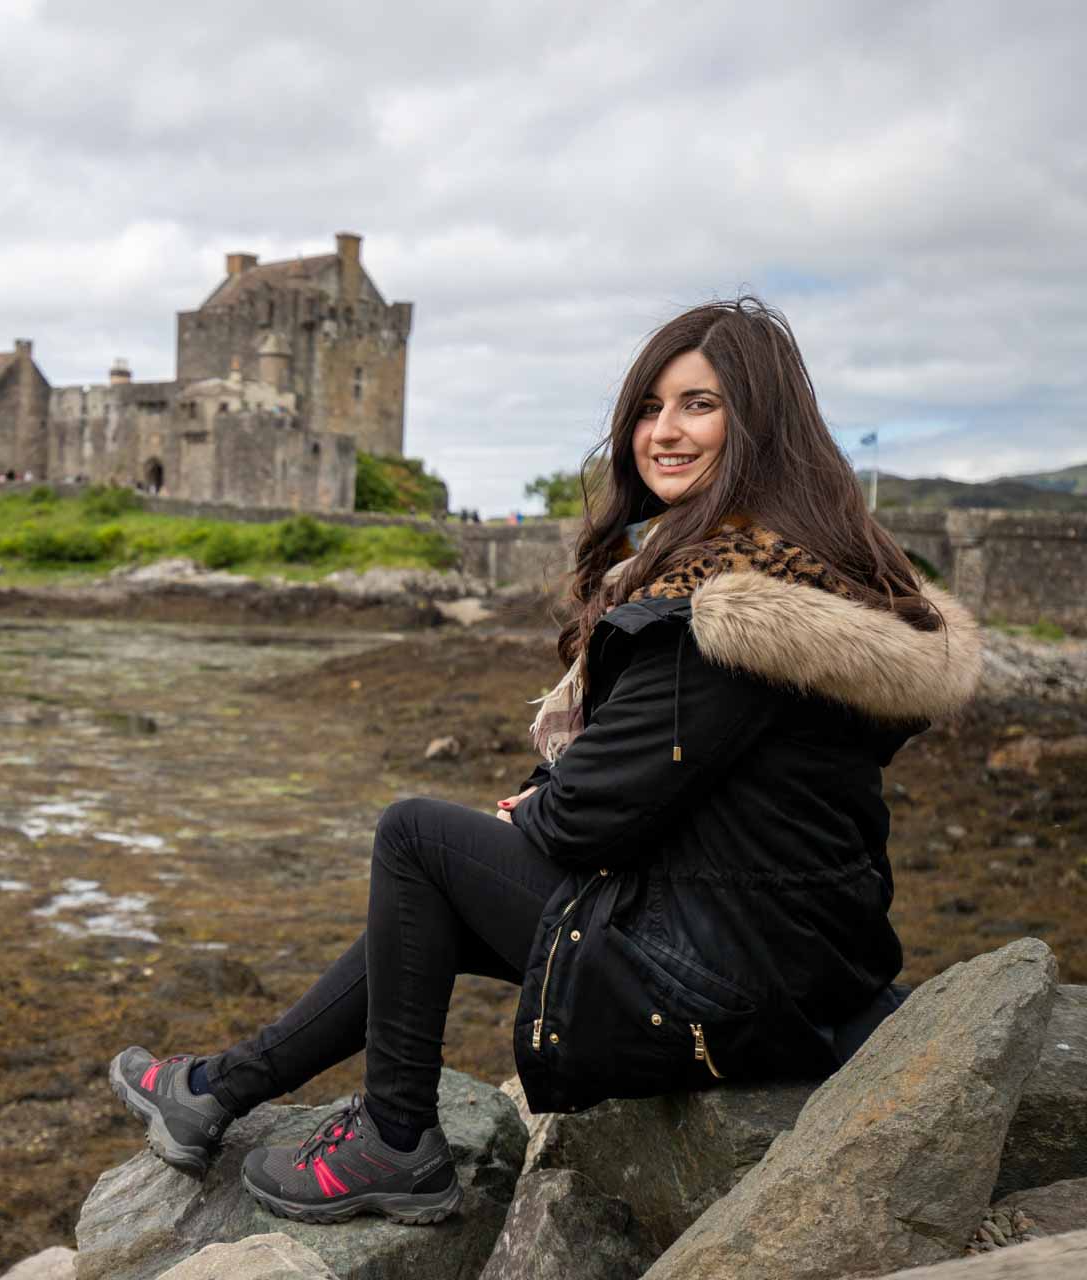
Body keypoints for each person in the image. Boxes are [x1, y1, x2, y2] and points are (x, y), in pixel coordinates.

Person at [108, 297, 981, 1226]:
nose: (662, 432)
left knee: (415, 840)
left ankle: (395, 1140)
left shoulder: (733, 611)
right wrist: (543, 803)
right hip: (799, 962)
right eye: (650, 408)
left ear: (760, 423)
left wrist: (531, 813)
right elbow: (672, 779)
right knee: (435, 882)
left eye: (699, 405)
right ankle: (218, 1088)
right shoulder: (822, 575)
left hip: (726, 984)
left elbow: (592, 817)